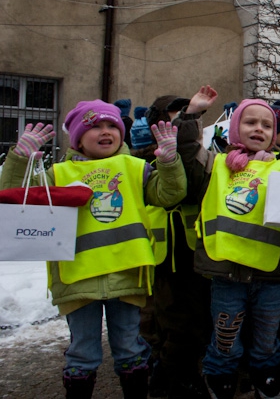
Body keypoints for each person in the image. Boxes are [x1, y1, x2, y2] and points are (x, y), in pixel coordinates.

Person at [0, 100, 187, 399]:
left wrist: (168, 163)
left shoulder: (135, 168)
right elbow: (17, 197)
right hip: (78, 279)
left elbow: (170, 194)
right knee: (83, 352)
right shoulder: (58, 174)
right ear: (76, 137)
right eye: (95, 126)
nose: (105, 131)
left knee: (129, 347)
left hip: (127, 275)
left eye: (112, 125)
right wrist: (20, 160)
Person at [180, 96, 280, 399]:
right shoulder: (216, 166)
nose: (259, 129)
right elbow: (189, 154)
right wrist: (191, 116)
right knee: (226, 334)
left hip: (268, 273)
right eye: (250, 122)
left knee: (267, 336)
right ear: (234, 127)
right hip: (225, 273)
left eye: (266, 125)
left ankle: (265, 370)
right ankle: (221, 371)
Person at [132, 90, 214, 399]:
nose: (176, 122)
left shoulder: (194, 154)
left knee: (186, 323)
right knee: (164, 324)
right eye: (172, 115)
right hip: (158, 255)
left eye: (184, 116)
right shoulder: (140, 161)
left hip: (189, 252)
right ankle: (174, 381)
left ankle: (170, 379)